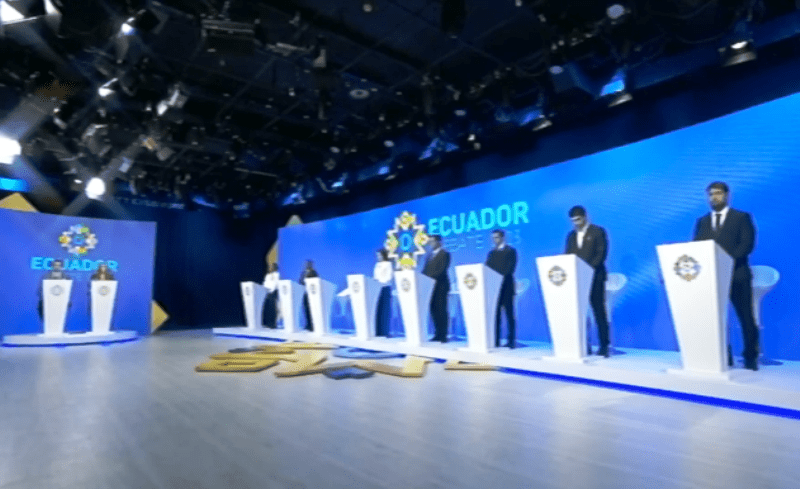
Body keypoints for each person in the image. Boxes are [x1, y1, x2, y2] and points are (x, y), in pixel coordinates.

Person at [693, 181, 759, 371]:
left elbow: (747, 245)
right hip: (711, 279)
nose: (714, 197)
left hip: (737, 275)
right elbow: (697, 248)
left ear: (727, 195)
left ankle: (750, 357)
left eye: (718, 193)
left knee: (746, 317)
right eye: (711, 194)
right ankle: (723, 355)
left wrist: (725, 262)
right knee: (716, 319)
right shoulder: (702, 221)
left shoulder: (741, 217)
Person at [565, 206, 611, 357]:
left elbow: (601, 254)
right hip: (577, 280)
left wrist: (587, 270)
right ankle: (584, 345)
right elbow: (567, 256)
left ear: (585, 217)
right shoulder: (571, 236)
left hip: (595, 278)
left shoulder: (598, 231)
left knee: (599, 312)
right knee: (580, 314)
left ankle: (604, 346)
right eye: (573, 221)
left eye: (578, 219)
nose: (576, 223)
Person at [486, 229, 518, 348]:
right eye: (493, 238)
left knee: (509, 314)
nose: (494, 240)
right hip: (494, 289)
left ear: (502, 238)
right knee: (496, 315)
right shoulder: (491, 253)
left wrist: (498, 277)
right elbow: (487, 268)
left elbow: (510, 268)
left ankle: (511, 341)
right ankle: (496, 340)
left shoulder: (511, 251)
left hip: (507, 287)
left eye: (496, 237)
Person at [422, 235, 451, 343]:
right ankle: (437, 334)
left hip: (441, 286)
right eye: (429, 242)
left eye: (433, 241)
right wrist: (422, 279)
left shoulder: (445, 254)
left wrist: (429, 278)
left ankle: (443, 335)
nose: (431, 244)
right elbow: (425, 270)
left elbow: (441, 270)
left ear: (439, 242)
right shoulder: (429, 256)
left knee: (441, 310)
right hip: (430, 287)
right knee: (433, 311)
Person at [374, 248, 394, 337]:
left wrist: (381, 283)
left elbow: (389, 277)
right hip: (377, 289)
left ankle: (385, 332)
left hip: (385, 288)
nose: (378, 257)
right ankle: (378, 331)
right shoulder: (377, 265)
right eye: (377, 255)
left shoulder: (388, 264)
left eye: (379, 255)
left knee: (385, 311)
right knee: (378, 311)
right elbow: (375, 277)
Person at [299, 260, 319, 331]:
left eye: (309, 264)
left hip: (312, 294)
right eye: (306, 264)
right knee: (306, 310)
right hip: (305, 293)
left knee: (311, 310)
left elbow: (316, 281)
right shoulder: (303, 273)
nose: (307, 265)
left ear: (311, 265)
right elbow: (300, 281)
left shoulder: (314, 272)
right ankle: (307, 324)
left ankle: (312, 325)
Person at [263, 263, 280, 329]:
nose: (271, 268)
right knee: (268, 308)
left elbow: (275, 283)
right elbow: (265, 283)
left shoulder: (277, 274)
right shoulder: (268, 275)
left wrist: (271, 290)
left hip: (273, 292)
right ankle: (268, 323)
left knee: (273, 308)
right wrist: (265, 289)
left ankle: (273, 324)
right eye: (270, 267)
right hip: (267, 292)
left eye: (272, 267)